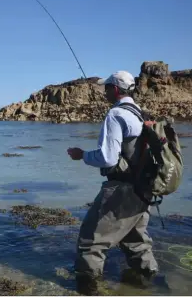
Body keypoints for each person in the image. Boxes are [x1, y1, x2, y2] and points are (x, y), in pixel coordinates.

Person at [67, 71, 159, 295]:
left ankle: (88, 289)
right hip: (143, 190)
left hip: (121, 189)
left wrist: (83, 155)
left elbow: (108, 158)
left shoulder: (116, 114)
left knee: (90, 242)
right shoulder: (139, 113)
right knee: (137, 242)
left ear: (116, 90)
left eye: (107, 87)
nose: (104, 91)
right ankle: (152, 286)